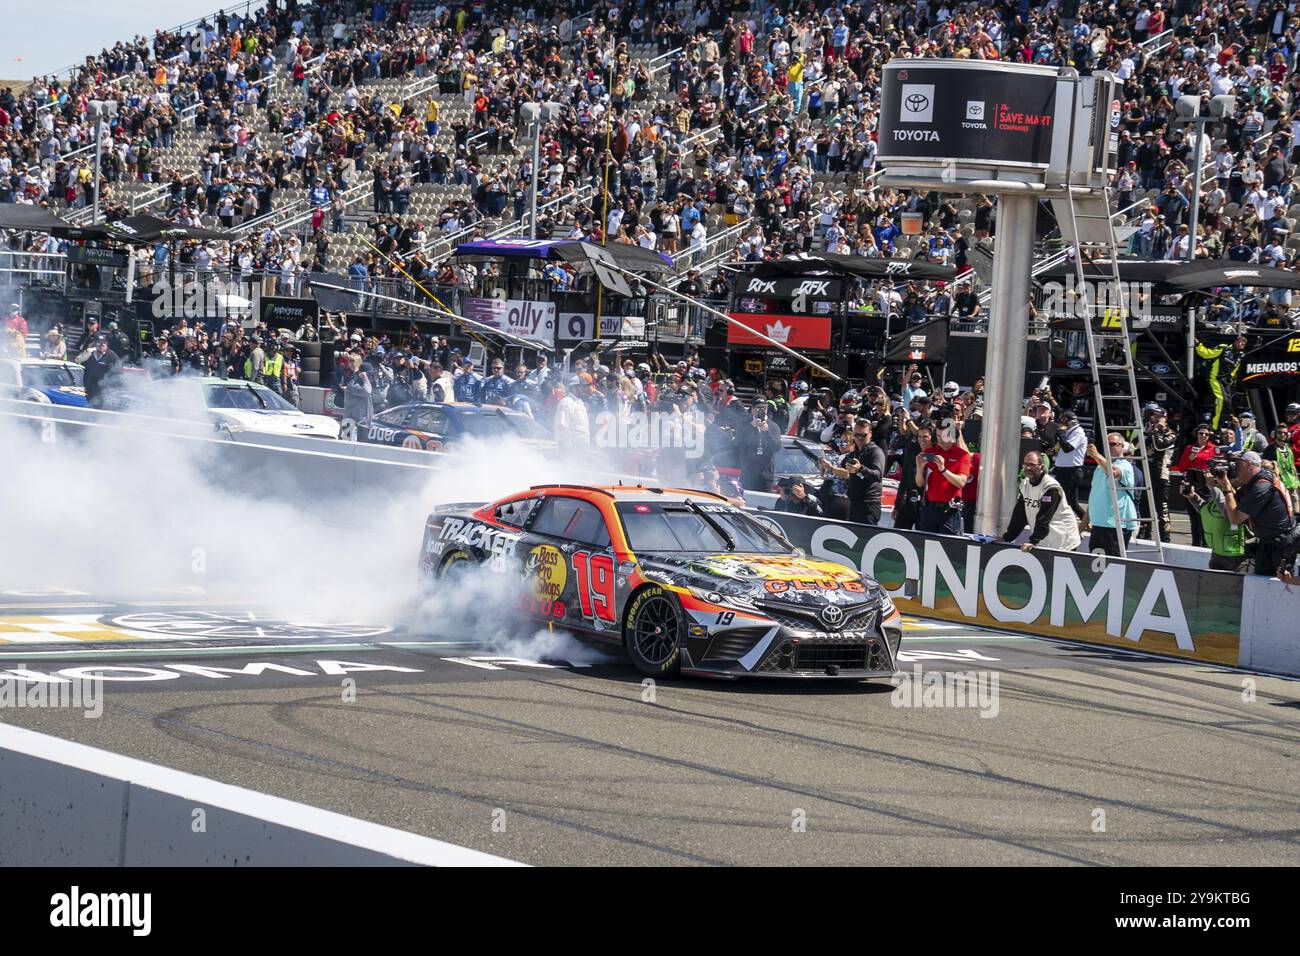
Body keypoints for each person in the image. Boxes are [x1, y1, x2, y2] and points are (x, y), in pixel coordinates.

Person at [1218, 451, 1295, 577]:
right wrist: (1215, 487)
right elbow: (1233, 508)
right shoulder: (1255, 482)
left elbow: (1235, 518)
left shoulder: (1262, 486)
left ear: (1249, 465)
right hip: (1270, 542)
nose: (1233, 468)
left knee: (1277, 586)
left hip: (1280, 545)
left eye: (1237, 464)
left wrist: (1226, 487)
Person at [1001, 451, 1081, 552]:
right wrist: (1007, 537)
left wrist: (1033, 541)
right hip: (1045, 536)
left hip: (1063, 538)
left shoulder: (1050, 487)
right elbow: (1020, 514)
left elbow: (1044, 516)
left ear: (1041, 467)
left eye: (1032, 465)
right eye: (1025, 464)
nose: (1028, 468)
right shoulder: (1025, 484)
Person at [1181, 471, 1249, 573]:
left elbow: (1228, 513)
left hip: (1235, 555)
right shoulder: (1217, 494)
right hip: (1217, 552)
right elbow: (1207, 510)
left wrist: (1213, 488)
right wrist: (1192, 496)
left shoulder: (1235, 495)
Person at [821, 418, 885, 524]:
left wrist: (861, 469)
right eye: (856, 435)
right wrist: (827, 468)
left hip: (868, 504)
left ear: (870, 434)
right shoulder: (853, 454)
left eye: (863, 435)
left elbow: (878, 475)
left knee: (865, 537)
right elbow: (844, 472)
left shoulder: (875, 452)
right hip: (853, 503)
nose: (859, 438)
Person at [1085, 434, 1139, 557]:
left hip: (1115, 524)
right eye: (1107, 444)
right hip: (1099, 523)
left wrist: (1097, 456)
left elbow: (1114, 472)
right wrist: (1082, 525)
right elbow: (1095, 497)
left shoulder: (1126, 465)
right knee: (1096, 564)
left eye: (1113, 444)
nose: (1109, 447)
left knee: (1114, 563)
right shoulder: (1099, 467)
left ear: (1122, 447)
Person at [916, 421, 971, 535]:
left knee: (949, 546)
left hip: (950, 510)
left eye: (943, 436)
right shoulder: (930, 452)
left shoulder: (962, 455)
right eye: (938, 436)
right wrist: (920, 468)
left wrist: (943, 469)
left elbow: (961, 482)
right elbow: (920, 483)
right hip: (930, 508)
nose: (940, 440)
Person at [1175, 425, 1218, 548]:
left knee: (1206, 517)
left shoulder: (1213, 449)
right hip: (1192, 483)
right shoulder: (1190, 448)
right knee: (1194, 518)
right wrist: (1190, 458)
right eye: (1200, 433)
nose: (1203, 436)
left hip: (1206, 485)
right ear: (1196, 434)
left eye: (1206, 434)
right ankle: (1195, 544)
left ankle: (1206, 544)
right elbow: (1181, 467)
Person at [1195, 334, 1249, 431]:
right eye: (1239, 341)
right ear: (1235, 341)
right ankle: (1214, 427)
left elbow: (1234, 370)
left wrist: (1231, 380)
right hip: (1215, 378)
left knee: (1228, 403)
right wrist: (1198, 344)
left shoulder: (1240, 356)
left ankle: (1222, 424)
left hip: (1226, 382)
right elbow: (1207, 353)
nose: (1240, 343)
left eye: (1243, 343)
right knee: (1221, 399)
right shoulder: (1224, 348)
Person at [734, 402, 782, 492]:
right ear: (752, 409)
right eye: (758, 408)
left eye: (763, 408)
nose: (761, 410)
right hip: (747, 473)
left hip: (765, 474)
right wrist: (750, 427)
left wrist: (766, 432)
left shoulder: (773, 426)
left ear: (767, 409)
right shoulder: (745, 424)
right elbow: (737, 443)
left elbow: (777, 447)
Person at [1051, 411, 1088, 519]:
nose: (1061, 426)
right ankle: (1085, 521)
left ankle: (1085, 521)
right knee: (1064, 499)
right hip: (1062, 470)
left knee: (1068, 501)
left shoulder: (1079, 433)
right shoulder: (1068, 432)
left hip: (1072, 471)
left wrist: (1061, 433)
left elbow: (1068, 448)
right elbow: (1061, 446)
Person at [1263, 424, 1300, 512]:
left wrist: (1297, 480)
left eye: (1285, 433)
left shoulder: (1288, 449)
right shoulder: (1270, 449)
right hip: (1278, 483)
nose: (1283, 435)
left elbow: (1292, 466)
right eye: (1280, 433)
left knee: (1295, 506)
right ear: (1274, 434)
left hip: (1292, 482)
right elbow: (1265, 465)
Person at [78, 336, 120, 408]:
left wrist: (111, 387)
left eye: (104, 343)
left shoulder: (112, 356)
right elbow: (78, 361)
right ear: (95, 344)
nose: (101, 345)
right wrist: (85, 353)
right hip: (89, 389)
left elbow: (118, 373)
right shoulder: (89, 354)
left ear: (106, 344)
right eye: (99, 343)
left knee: (101, 409)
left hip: (104, 391)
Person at [342, 353, 374, 429]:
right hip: (352, 423)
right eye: (369, 374)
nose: (370, 376)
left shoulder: (366, 383)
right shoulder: (354, 384)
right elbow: (367, 391)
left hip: (363, 422)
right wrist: (365, 378)